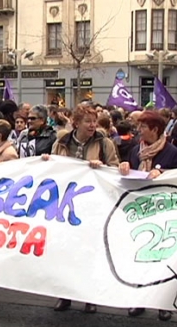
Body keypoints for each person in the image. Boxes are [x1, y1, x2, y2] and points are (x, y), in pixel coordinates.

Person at [48, 105, 120, 314]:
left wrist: (102, 168)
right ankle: (65, 294)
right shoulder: (61, 142)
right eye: (88, 121)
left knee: (89, 251)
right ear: (76, 123)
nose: (92, 125)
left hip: (92, 204)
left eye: (94, 121)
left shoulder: (103, 143)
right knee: (65, 250)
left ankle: (90, 296)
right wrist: (48, 161)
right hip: (65, 204)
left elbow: (115, 169)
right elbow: (53, 169)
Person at [118, 110, 177, 321]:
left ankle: (164, 303)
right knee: (138, 258)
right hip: (139, 209)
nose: (139, 131)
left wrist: (163, 173)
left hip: (162, 211)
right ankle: (139, 299)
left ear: (155, 130)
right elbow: (127, 173)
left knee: (162, 259)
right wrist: (124, 166)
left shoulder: (172, 153)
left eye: (143, 127)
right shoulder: (135, 150)